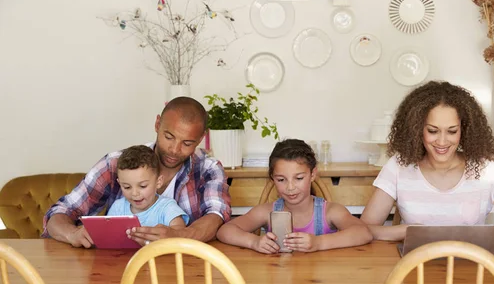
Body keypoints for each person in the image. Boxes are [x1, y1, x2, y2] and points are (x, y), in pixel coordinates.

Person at [360, 81, 494, 244]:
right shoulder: (399, 166)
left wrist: (482, 237)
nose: (442, 142)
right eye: (433, 131)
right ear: (417, 130)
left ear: (464, 130)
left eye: (452, 131)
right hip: (414, 275)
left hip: (473, 273)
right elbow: (363, 230)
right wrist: (406, 232)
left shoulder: (487, 168)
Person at [43, 97, 231, 248]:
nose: (174, 149)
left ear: (201, 138)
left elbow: (217, 216)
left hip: (186, 275)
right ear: (157, 124)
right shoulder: (115, 164)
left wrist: (178, 235)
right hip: (116, 273)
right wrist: (72, 233)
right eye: (169, 137)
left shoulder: (209, 169)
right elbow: (61, 212)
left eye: (187, 143)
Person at [217, 139, 373, 253]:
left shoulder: (330, 211)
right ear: (272, 178)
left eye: (299, 178)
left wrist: (318, 243)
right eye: (281, 180)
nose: (290, 187)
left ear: (313, 175)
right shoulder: (265, 212)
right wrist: (254, 242)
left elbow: (363, 232)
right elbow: (225, 231)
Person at [107, 145, 189, 228]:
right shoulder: (118, 208)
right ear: (120, 183)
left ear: (158, 182)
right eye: (127, 187)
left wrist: (164, 234)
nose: (134, 193)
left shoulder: (167, 207)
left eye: (143, 186)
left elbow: (180, 231)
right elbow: (106, 232)